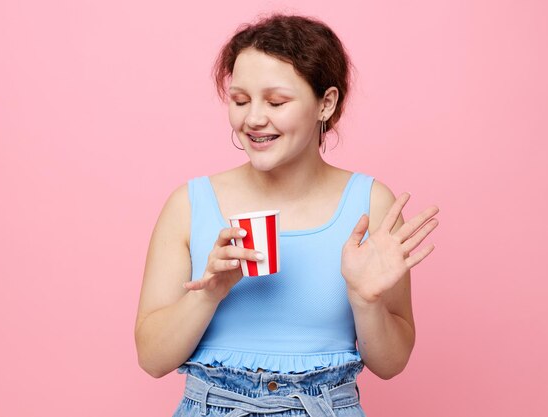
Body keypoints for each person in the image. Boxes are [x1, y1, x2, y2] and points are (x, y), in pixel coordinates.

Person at [135, 13, 439, 417]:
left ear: (325, 103)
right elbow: (153, 359)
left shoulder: (372, 205)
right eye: (240, 100)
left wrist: (366, 302)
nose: (254, 118)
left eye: (276, 102)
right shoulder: (188, 205)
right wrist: (210, 292)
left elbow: (391, 364)